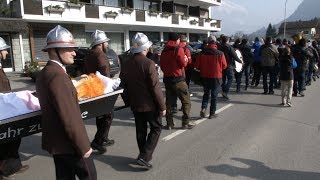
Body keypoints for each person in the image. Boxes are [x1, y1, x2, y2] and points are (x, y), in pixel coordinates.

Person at [36, 25, 96, 180]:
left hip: (58, 144)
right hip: (70, 145)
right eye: (69, 48)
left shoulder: (45, 73)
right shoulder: (58, 76)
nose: (74, 53)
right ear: (55, 50)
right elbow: (69, 117)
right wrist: (84, 146)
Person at [120, 32, 166, 169]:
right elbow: (155, 88)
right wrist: (162, 106)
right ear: (145, 48)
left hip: (135, 103)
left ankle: (142, 154)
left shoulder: (127, 64)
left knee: (141, 130)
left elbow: (122, 86)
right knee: (156, 128)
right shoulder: (149, 63)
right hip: (150, 105)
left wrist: (128, 101)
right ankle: (144, 157)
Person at [0, 37, 29, 178]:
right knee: (9, 140)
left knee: (13, 139)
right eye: (4, 49)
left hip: (6, 110)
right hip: (3, 112)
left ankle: (12, 166)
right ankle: (7, 168)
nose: (6, 52)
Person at [84, 30, 115, 154]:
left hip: (92, 88)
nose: (107, 45)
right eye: (106, 42)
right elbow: (105, 72)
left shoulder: (89, 53)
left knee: (100, 115)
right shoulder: (100, 54)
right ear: (101, 43)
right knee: (108, 116)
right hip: (102, 89)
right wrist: (109, 86)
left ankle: (104, 138)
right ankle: (97, 141)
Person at [160, 32, 195, 130]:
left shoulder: (164, 50)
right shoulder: (178, 49)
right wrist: (186, 60)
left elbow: (162, 65)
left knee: (169, 103)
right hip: (178, 79)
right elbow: (183, 64)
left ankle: (169, 123)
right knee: (186, 101)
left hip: (167, 79)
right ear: (177, 40)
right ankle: (185, 123)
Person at [195, 35, 227, 119]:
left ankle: (203, 108)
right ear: (215, 42)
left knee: (206, 93)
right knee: (214, 95)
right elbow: (224, 66)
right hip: (216, 77)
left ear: (208, 42)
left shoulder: (202, 53)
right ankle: (212, 113)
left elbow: (197, 66)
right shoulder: (220, 53)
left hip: (204, 76)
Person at [218, 35, 243, 100]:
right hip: (229, 65)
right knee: (230, 78)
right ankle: (225, 91)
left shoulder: (219, 47)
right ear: (227, 41)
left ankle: (224, 92)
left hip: (221, 65)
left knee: (223, 79)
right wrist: (240, 61)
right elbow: (235, 56)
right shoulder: (229, 47)